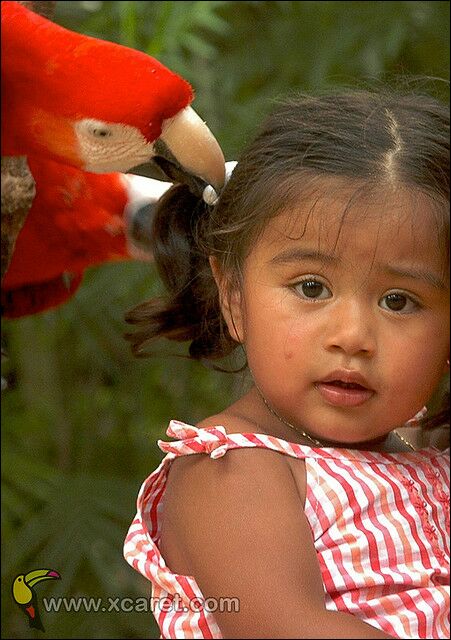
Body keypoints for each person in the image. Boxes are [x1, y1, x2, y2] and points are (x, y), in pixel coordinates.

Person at [123, 86, 450, 639]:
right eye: (312, 287)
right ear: (233, 296)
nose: (353, 337)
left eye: (399, 300)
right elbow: (285, 627)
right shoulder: (233, 470)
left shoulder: (427, 462)